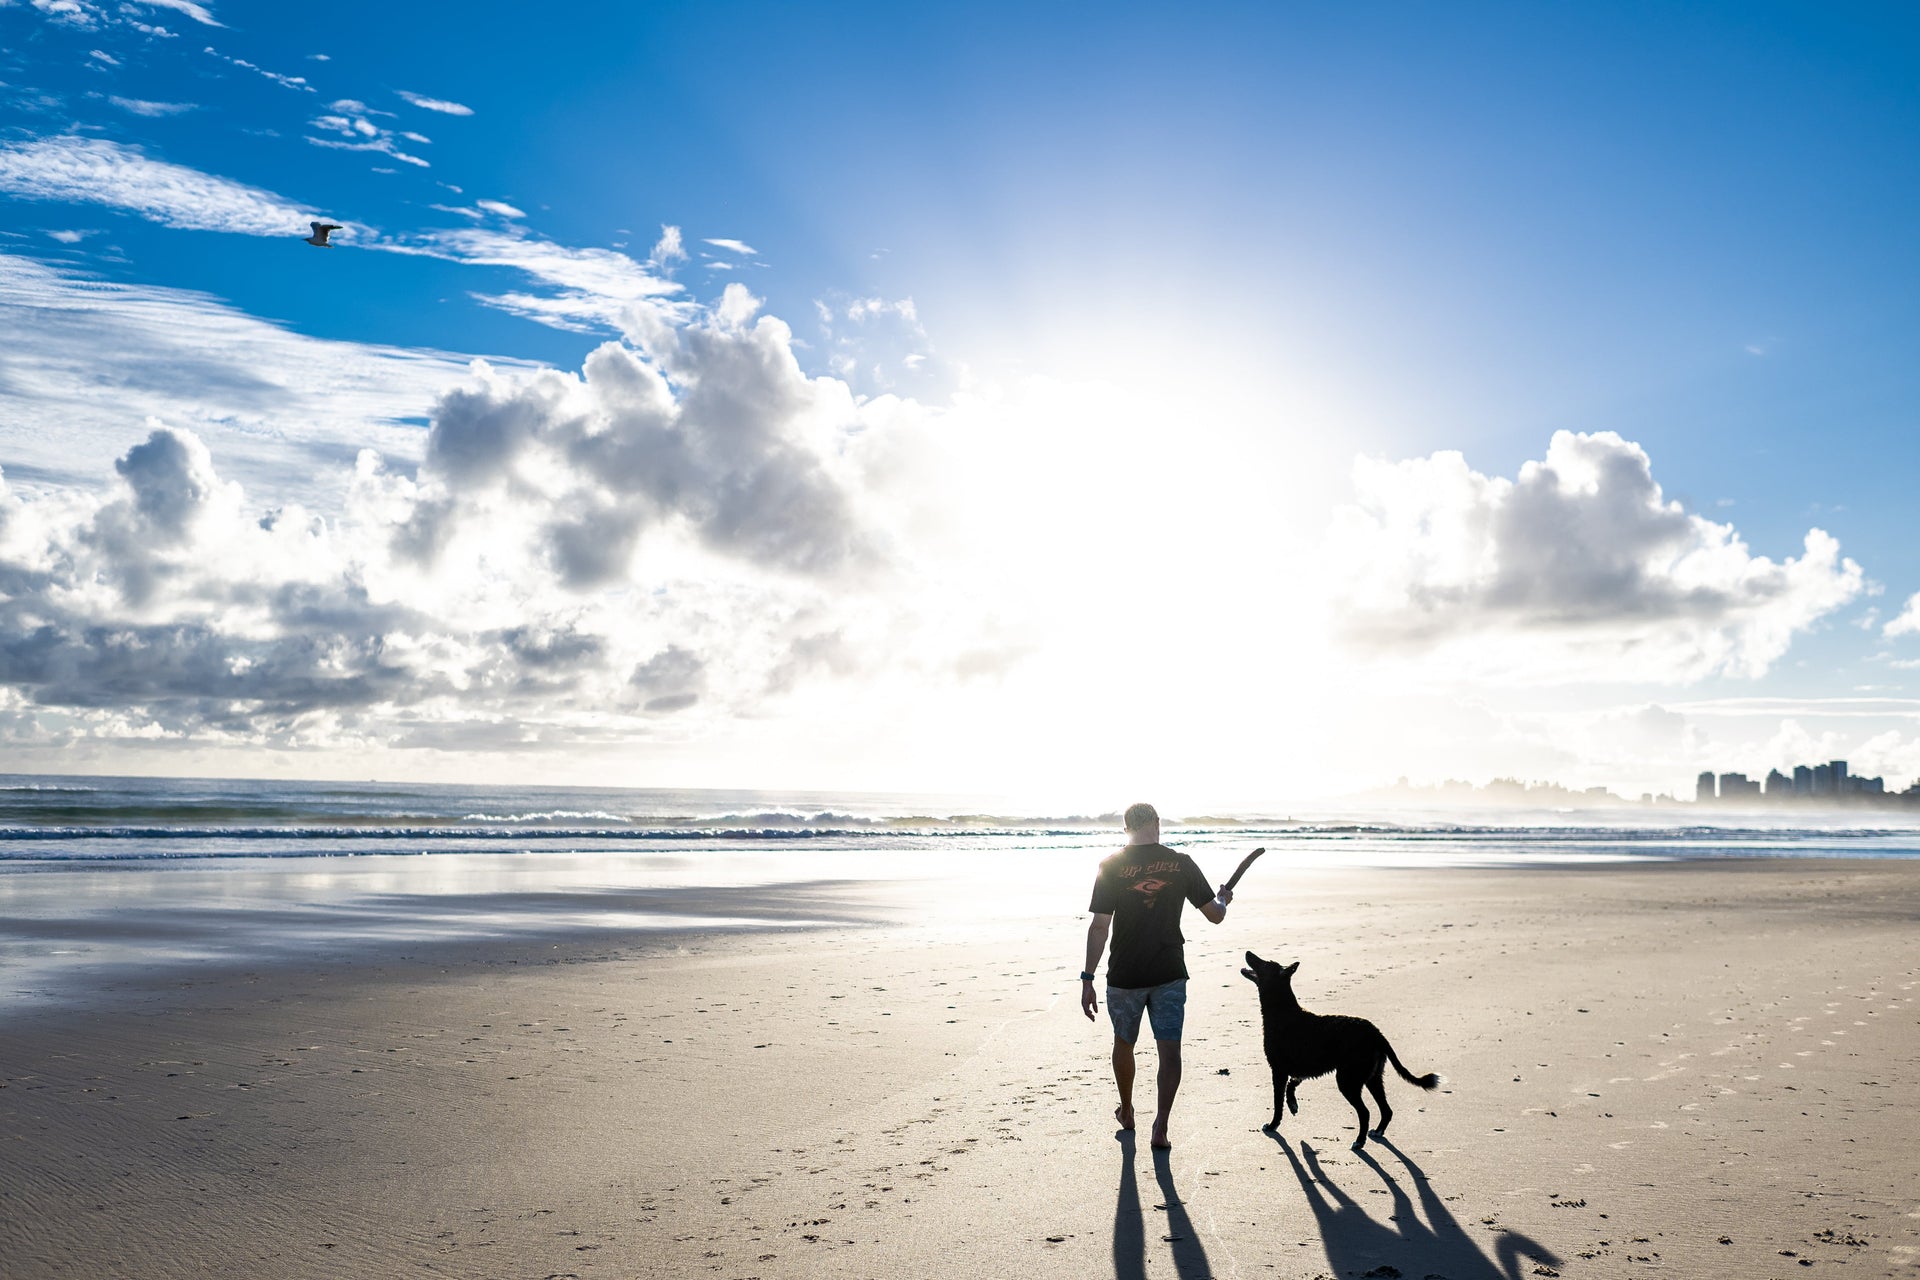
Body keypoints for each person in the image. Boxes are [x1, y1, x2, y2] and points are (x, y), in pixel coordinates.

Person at [1080, 801, 1231, 1150]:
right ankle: (1160, 1126)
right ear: (1157, 823)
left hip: (1125, 974)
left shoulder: (1111, 865)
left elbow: (1100, 926)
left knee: (1123, 1044)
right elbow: (1215, 916)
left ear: (1125, 828)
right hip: (1168, 972)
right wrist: (1223, 899)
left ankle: (1128, 1110)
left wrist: (1087, 978)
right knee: (1170, 1050)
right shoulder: (1181, 863)